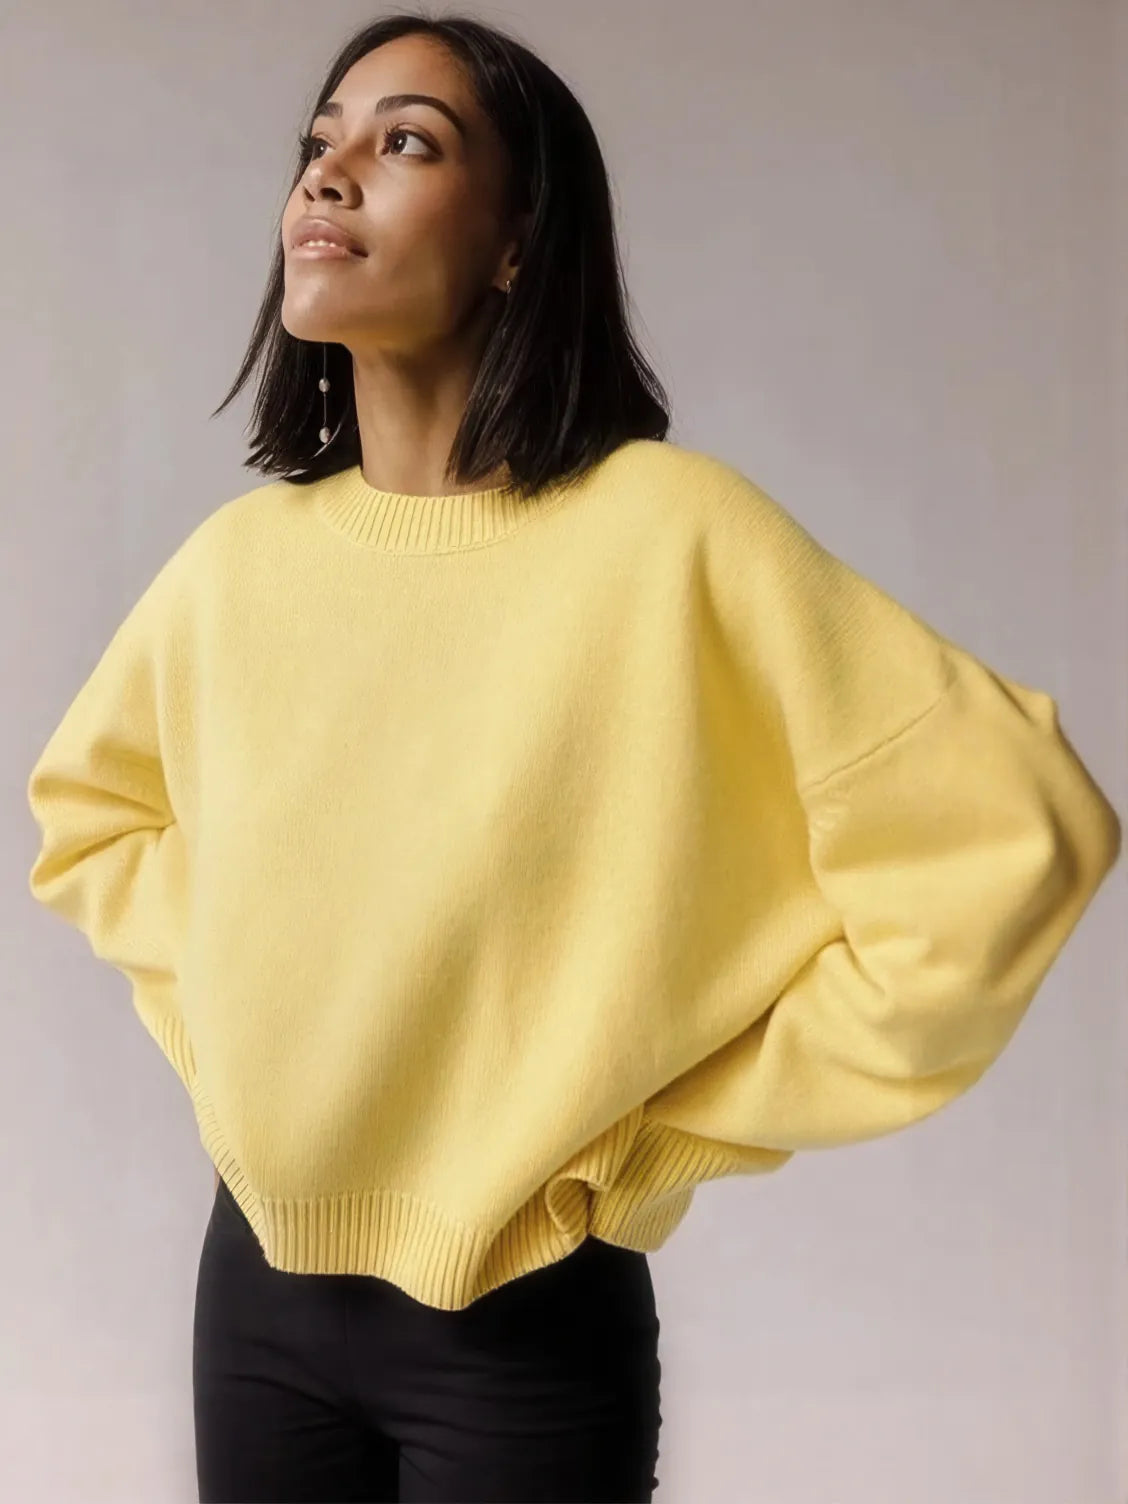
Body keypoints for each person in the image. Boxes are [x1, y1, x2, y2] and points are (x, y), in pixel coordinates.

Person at [24, 12, 1121, 1504]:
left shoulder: (668, 534)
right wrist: (242, 1010)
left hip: (521, 1331)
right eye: (320, 142)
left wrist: (665, 1128)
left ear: (517, 245)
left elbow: (1016, 835)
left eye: (404, 141)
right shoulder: (235, 569)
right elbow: (89, 819)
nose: (330, 174)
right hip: (258, 1301)